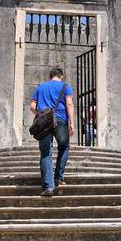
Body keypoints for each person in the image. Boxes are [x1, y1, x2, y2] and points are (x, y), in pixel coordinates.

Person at [30, 67, 75, 197]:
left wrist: (41, 115)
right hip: (60, 121)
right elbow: (69, 103)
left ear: (50, 76)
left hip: (44, 123)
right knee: (64, 147)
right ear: (61, 77)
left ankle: (48, 187)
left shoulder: (41, 87)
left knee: (45, 154)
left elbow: (32, 106)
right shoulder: (65, 86)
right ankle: (58, 178)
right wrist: (72, 122)